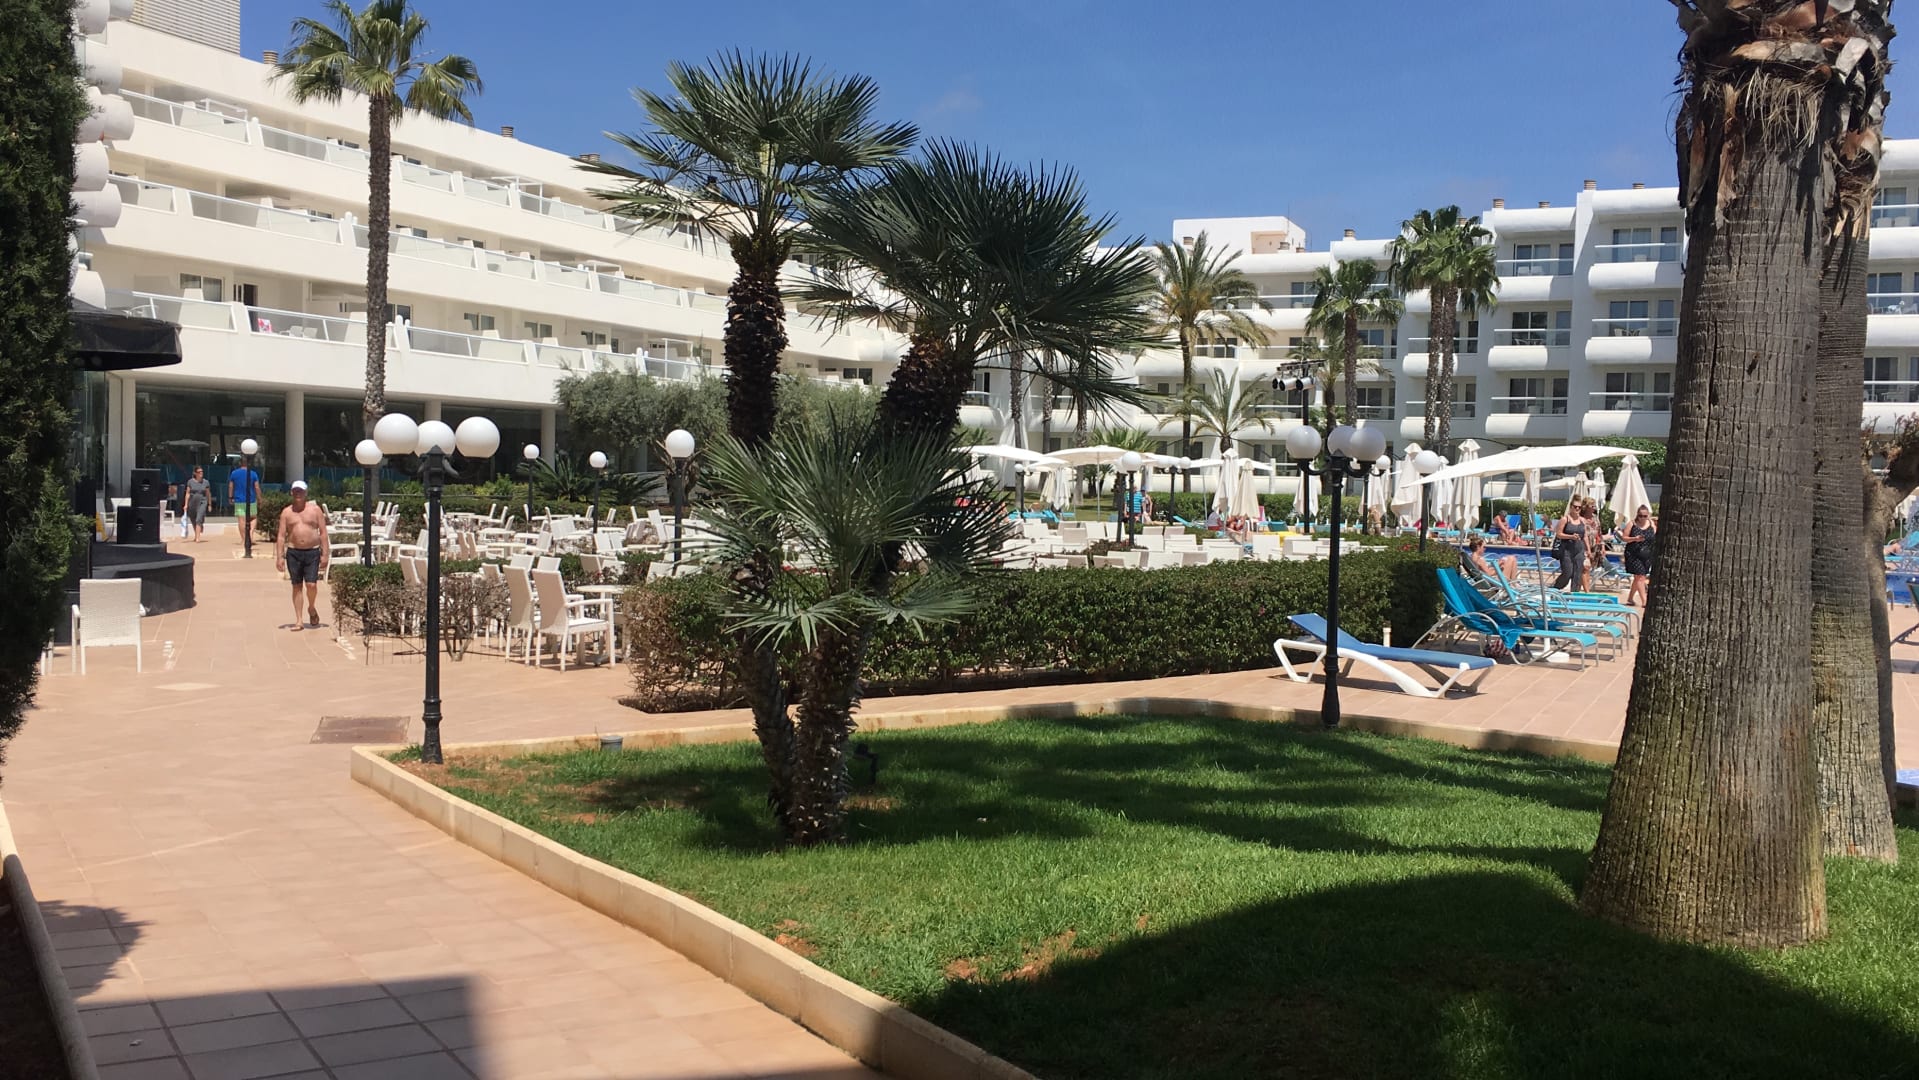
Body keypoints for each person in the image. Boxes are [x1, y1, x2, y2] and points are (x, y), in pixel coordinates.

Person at [275, 480, 329, 630]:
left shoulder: (315, 510)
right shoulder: (286, 512)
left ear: (306, 493)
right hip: (294, 552)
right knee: (296, 586)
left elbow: (323, 533)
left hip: (312, 551)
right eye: (295, 491)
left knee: (311, 584)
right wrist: (279, 557)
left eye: (301, 491)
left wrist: (325, 554)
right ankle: (299, 620)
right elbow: (281, 536)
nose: (298, 493)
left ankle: (311, 607)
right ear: (291, 492)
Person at [1616, 504, 1656, 606]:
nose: (1642, 518)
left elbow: (1655, 537)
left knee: (1639, 577)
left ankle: (1630, 598)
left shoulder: (1651, 524)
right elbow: (1624, 538)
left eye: (1645, 516)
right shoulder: (1632, 524)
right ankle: (1644, 601)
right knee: (1640, 577)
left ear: (1648, 515)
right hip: (1633, 554)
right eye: (1640, 516)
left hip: (1647, 554)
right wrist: (1635, 539)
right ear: (1637, 515)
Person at [1552, 500, 1588, 591]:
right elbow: (1558, 534)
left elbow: (1585, 536)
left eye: (1579, 507)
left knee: (1577, 574)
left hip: (1579, 550)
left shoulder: (1582, 520)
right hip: (1566, 550)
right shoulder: (1565, 519)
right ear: (1571, 507)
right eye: (1575, 506)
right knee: (1567, 573)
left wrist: (1588, 550)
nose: (1577, 509)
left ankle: (1575, 594)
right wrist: (1570, 536)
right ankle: (1555, 589)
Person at [183, 465, 210, 543]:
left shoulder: (206, 482)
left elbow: (208, 494)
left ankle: (198, 538)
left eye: (202, 472)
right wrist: (186, 504)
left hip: (202, 501)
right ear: (195, 473)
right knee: (193, 518)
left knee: (199, 518)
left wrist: (209, 504)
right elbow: (187, 493)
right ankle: (196, 534)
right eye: (199, 472)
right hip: (192, 501)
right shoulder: (190, 482)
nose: (201, 473)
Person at [229, 459, 260, 527]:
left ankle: (243, 534)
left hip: (239, 500)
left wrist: (230, 497)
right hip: (251, 500)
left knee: (241, 520)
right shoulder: (253, 473)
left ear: (240, 463)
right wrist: (259, 498)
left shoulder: (234, 473)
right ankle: (250, 532)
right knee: (253, 518)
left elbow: (231, 486)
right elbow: (257, 487)